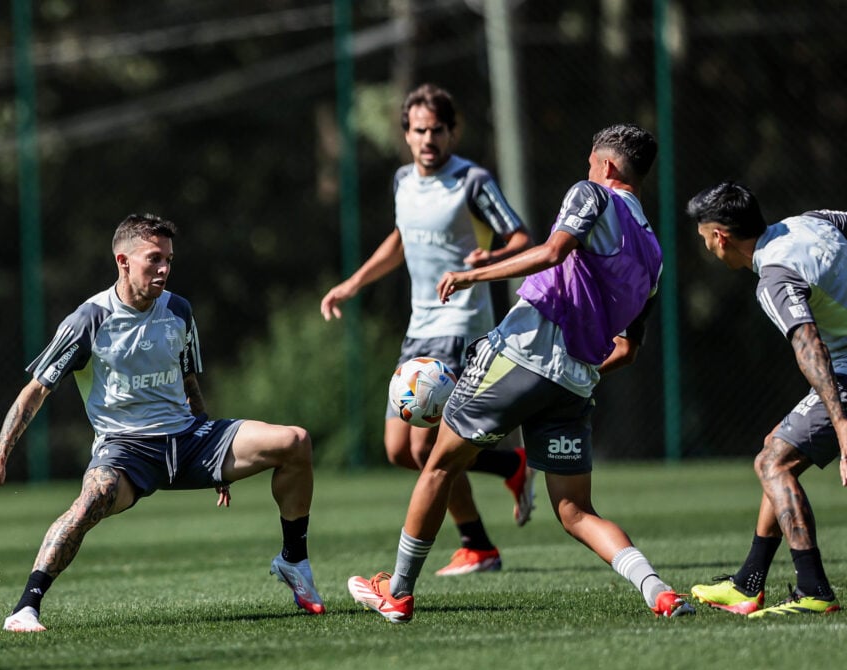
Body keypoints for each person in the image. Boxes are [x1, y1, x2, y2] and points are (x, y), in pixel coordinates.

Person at [347, 123, 695, 623]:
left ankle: (397, 591)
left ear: (608, 167)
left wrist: (472, 274)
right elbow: (628, 351)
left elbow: (553, 251)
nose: (588, 169)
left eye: (591, 161)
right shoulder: (654, 254)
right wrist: (573, 371)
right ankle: (658, 590)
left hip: (521, 353)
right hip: (576, 383)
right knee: (576, 511)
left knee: (440, 465)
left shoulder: (591, 194)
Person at [0, 214, 325, 632]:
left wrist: (217, 458)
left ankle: (293, 561)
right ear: (123, 261)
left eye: (169, 260)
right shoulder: (88, 321)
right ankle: (25, 607)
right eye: (153, 259)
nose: (164, 269)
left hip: (187, 438)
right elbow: (35, 391)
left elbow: (189, 381)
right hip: (126, 448)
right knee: (92, 499)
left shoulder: (178, 310)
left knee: (295, 441)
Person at [320, 83, 535, 576]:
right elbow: (401, 238)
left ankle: (477, 546)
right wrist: (352, 283)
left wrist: (491, 257)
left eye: (438, 130)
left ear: (452, 131)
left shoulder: (472, 181)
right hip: (420, 327)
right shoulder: (402, 181)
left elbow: (522, 236)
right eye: (419, 131)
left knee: (426, 446)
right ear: (406, 134)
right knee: (398, 450)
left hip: (461, 325)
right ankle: (510, 466)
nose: (428, 139)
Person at [686, 182, 847, 618]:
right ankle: (748, 583)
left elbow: (809, 347)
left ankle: (814, 592)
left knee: (771, 464)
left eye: (703, 237)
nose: (705, 245)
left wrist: (843, 428)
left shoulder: (774, 277)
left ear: (720, 236)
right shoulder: (812, 220)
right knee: (776, 448)